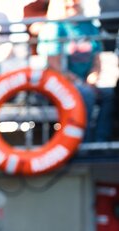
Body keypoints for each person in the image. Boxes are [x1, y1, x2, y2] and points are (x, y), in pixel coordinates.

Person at [37, 0, 115, 142]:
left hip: (85, 81)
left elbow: (97, 60)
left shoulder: (89, 26)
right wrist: (79, 82)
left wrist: (91, 78)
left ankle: (100, 141)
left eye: (75, 1)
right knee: (86, 94)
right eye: (67, 2)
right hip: (59, 82)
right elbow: (54, 64)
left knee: (108, 94)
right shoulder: (54, 27)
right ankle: (83, 142)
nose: (72, 4)